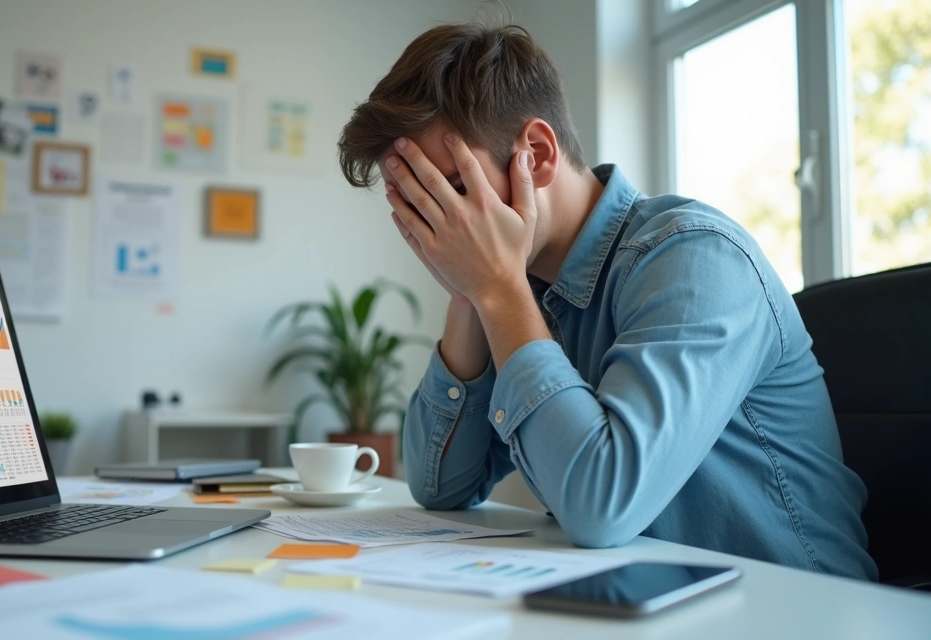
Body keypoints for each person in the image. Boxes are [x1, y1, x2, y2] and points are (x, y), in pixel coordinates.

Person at [336, 22, 876, 580]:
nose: (438, 227)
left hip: (792, 607)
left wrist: (496, 290)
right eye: (419, 207)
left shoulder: (694, 259)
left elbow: (603, 504)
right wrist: (470, 295)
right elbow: (439, 487)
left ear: (537, 155)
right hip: (645, 599)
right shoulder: (526, 290)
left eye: (448, 192)